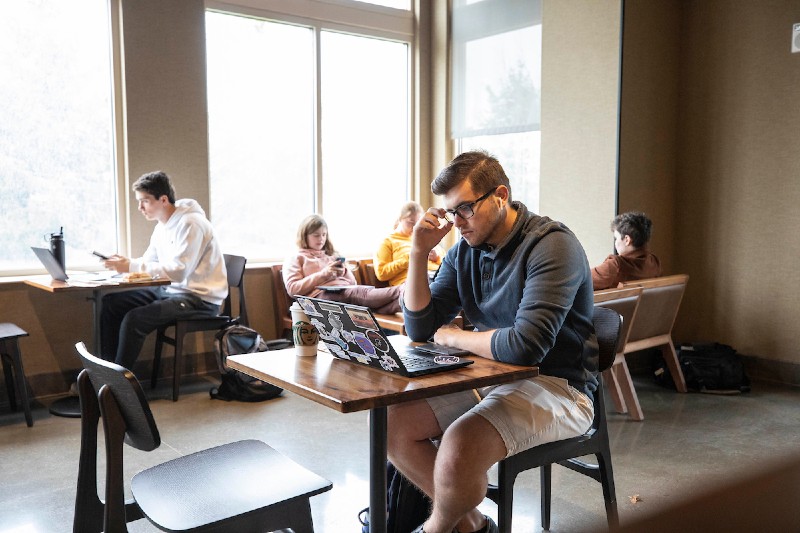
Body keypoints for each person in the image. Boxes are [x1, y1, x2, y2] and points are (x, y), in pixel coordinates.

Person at [388, 151, 598, 533]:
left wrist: (455, 336)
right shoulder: (464, 251)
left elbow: (525, 347)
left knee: (460, 447)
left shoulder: (551, 246)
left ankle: (435, 530)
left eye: (465, 208)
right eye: (451, 212)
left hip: (560, 387)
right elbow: (419, 328)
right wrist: (418, 253)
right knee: (394, 426)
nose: (457, 223)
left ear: (500, 195)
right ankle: (472, 525)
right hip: (490, 379)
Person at [99, 171, 228, 370]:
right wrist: (123, 267)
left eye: (145, 201)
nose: (140, 208)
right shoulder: (162, 225)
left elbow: (178, 272)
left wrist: (131, 266)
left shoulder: (192, 224)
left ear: (163, 199)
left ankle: (119, 385)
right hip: (171, 292)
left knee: (134, 320)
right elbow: (149, 262)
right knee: (110, 303)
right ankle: (106, 372)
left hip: (199, 299)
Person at [283, 214, 403, 314]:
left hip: (344, 293)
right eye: (316, 235)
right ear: (304, 236)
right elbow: (293, 289)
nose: (321, 239)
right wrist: (324, 274)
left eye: (324, 235)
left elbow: (352, 283)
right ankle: (401, 291)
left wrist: (344, 271)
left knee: (365, 300)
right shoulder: (296, 258)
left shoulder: (332, 255)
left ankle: (405, 300)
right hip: (319, 298)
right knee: (358, 294)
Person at [374, 201, 444, 286]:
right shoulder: (388, 241)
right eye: (411, 222)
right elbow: (381, 274)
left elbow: (446, 263)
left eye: (418, 223)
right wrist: (411, 257)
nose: (415, 227)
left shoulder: (425, 238)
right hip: (410, 284)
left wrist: (436, 258)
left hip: (436, 277)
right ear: (400, 218)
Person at [591, 211, 662, 290]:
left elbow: (581, 280)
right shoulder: (654, 263)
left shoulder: (615, 265)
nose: (615, 243)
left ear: (627, 240)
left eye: (616, 238)